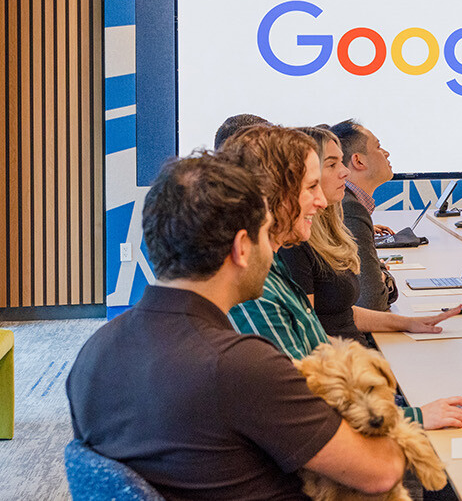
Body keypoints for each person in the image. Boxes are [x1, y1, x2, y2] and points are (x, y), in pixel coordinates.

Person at [67, 153, 405, 499]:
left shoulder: (93, 353)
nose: (272, 252)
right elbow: (380, 473)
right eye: (265, 234)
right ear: (242, 247)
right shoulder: (241, 365)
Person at [220, 125, 462, 432]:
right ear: (276, 195)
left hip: (352, 406)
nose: (322, 202)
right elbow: (306, 409)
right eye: (311, 186)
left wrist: (406, 323)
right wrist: (411, 418)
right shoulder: (260, 286)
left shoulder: (273, 273)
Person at [280, 126, 460, 344]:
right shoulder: (295, 243)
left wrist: (408, 323)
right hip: (343, 362)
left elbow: (341, 313)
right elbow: (307, 336)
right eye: (332, 164)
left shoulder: (325, 227)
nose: (344, 173)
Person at [331, 119, 400, 312]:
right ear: (358, 160)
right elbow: (371, 302)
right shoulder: (350, 208)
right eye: (378, 147)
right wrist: (385, 276)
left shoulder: (349, 203)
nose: (386, 153)